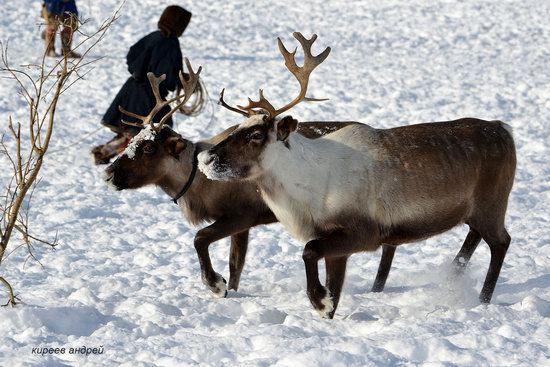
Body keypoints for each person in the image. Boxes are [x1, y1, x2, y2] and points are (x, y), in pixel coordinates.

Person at [92, 5, 192, 165]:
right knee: (150, 130)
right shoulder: (169, 43)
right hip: (149, 94)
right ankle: (109, 154)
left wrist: (139, 72)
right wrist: (181, 79)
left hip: (133, 88)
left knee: (138, 130)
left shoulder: (154, 36)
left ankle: (104, 152)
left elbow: (133, 54)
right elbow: (164, 74)